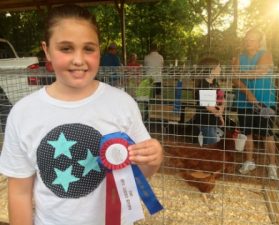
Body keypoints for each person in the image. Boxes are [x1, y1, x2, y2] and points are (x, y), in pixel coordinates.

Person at [0, 4, 163, 225]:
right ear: (46, 50)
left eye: (89, 48)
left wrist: (153, 159)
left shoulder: (122, 103)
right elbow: (19, 192)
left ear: (99, 50)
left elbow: (138, 174)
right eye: (66, 48)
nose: (79, 59)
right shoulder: (23, 113)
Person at [232, 28, 277, 179]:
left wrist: (241, 74)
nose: (248, 42)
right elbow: (234, 79)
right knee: (247, 132)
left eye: (252, 40)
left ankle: (272, 165)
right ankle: (249, 161)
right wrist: (248, 93)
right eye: (246, 39)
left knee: (267, 134)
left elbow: (260, 71)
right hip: (244, 102)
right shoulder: (239, 56)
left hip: (265, 101)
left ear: (259, 42)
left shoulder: (266, 54)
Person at [191, 57, 225, 145]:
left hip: (213, 120)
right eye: (218, 67)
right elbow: (209, 107)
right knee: (211, 146)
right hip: (205, 121)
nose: (220, 69)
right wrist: (219, 112)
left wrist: (221, 114)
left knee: (210, 146)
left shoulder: (214, 83)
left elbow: (221, 98)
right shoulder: (203, 85)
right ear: (211, 69)